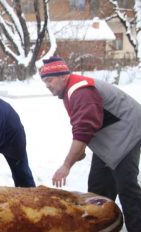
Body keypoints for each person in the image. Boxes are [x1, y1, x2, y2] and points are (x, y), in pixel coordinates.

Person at [40, 56, 141, 232]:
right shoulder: (69, 90)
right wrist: (80, 151)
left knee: (126, 187)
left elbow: (84, 129)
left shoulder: (81, 90)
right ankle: (103, 225)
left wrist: (67, 164)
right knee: (98, 189)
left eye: (50, 80)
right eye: (44, 81)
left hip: (128, 131)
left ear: (64, 76)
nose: (47, 85)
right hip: (109, 139)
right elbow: (88, 123)